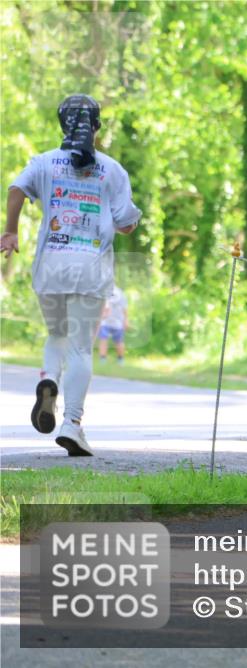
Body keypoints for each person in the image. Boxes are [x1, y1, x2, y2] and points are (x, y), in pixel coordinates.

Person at [2, 94, 140, 456]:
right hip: (90, 269)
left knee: (57, 334)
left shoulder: (44, 162)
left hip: (50, 265)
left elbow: (15, 189)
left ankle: (49, 378)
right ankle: (72, 424)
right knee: (80, 346)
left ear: (62, 125)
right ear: (96, 126)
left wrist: (11, 231)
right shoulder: (112, 169)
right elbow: (126, 223)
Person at [97, 283, 128, 364]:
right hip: (105, 322)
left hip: (117, 322)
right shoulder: (104, 291)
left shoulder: (119, 293)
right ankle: (103, 359)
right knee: (104, 339)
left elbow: (124, 308)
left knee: (118, 341)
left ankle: (120, 359)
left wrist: (125, 320)